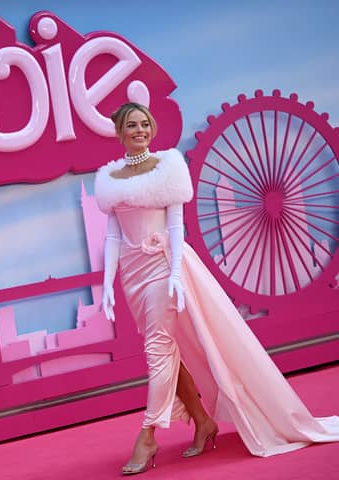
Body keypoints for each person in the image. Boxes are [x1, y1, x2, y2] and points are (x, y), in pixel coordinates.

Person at [93, 102, 339, 475]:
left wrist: (175, 273)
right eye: (132, 125)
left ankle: (147, 436)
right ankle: (203, 421)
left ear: (151, 127)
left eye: (145, 123)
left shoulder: (169, 167)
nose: (140, 130)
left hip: (163, 267)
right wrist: (107, 281)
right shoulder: (109, 178)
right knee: (170, 352)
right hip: (132, 274)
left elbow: (176, 227)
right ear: (119, 132)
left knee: (157, 351)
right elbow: (113, 235)